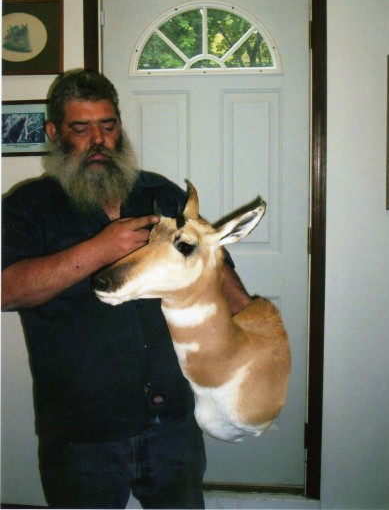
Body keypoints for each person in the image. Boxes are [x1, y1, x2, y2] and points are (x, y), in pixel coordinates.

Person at [2, 69, 251, 510]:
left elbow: (216, 265)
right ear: (55, 132)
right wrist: (99, 250)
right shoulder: (27, 206)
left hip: (174, 418)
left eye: (109, 125)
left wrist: (251, 324)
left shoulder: (162, 194)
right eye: (81, 129)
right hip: (82, 431)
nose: (98, 140)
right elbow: (8, 290)